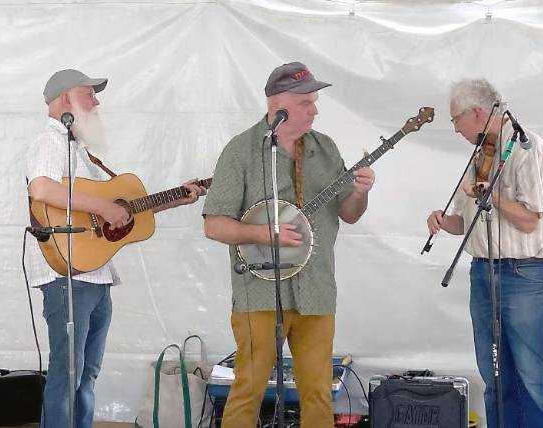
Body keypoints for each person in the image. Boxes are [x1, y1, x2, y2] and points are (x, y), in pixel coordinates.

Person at [24, 68, 207, 428]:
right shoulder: (50, 142)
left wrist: (174, 199)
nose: (96, 101)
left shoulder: (81, 153)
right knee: (67, 375)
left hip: (95, 276)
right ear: (65, 100)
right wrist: (103, 207)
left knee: (87, 374)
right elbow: (41, 190)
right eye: (89, 94)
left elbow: (121, 212)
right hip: (67, 278)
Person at [202, 61, 375, 427]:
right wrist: (263, 235)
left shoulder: (325, 149)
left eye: (314, 101)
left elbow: (349, 213)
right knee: (248, 387)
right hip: (259, 292)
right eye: (306, 103)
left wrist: (360, 192)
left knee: (317, 393)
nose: (315, 109)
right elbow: (215, 225)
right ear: (278, 105)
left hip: (316, 290)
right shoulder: (242, 151)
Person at [427, 78, 543, 428]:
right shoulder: (479, 154)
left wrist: (494, 196)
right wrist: (444, 221)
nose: (455, 128)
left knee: (533, 377)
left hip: (524, 273)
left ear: (477, 113)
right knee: (495, 374)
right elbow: (466, 222)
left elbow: (530, 220)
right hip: (482, 270)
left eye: (456, 118)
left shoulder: (528, 149)